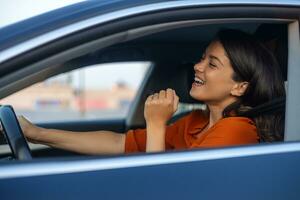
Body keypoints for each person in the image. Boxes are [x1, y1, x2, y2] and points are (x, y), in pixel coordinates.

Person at [18, 29, 286, 155]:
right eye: (202, 58)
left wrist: (157, 124)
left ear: (240, 86)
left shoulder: (237, 131)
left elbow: (164, 188)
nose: (197, 66)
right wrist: (36, 133)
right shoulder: (195, 123)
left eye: (211, 64)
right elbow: (118, 143)